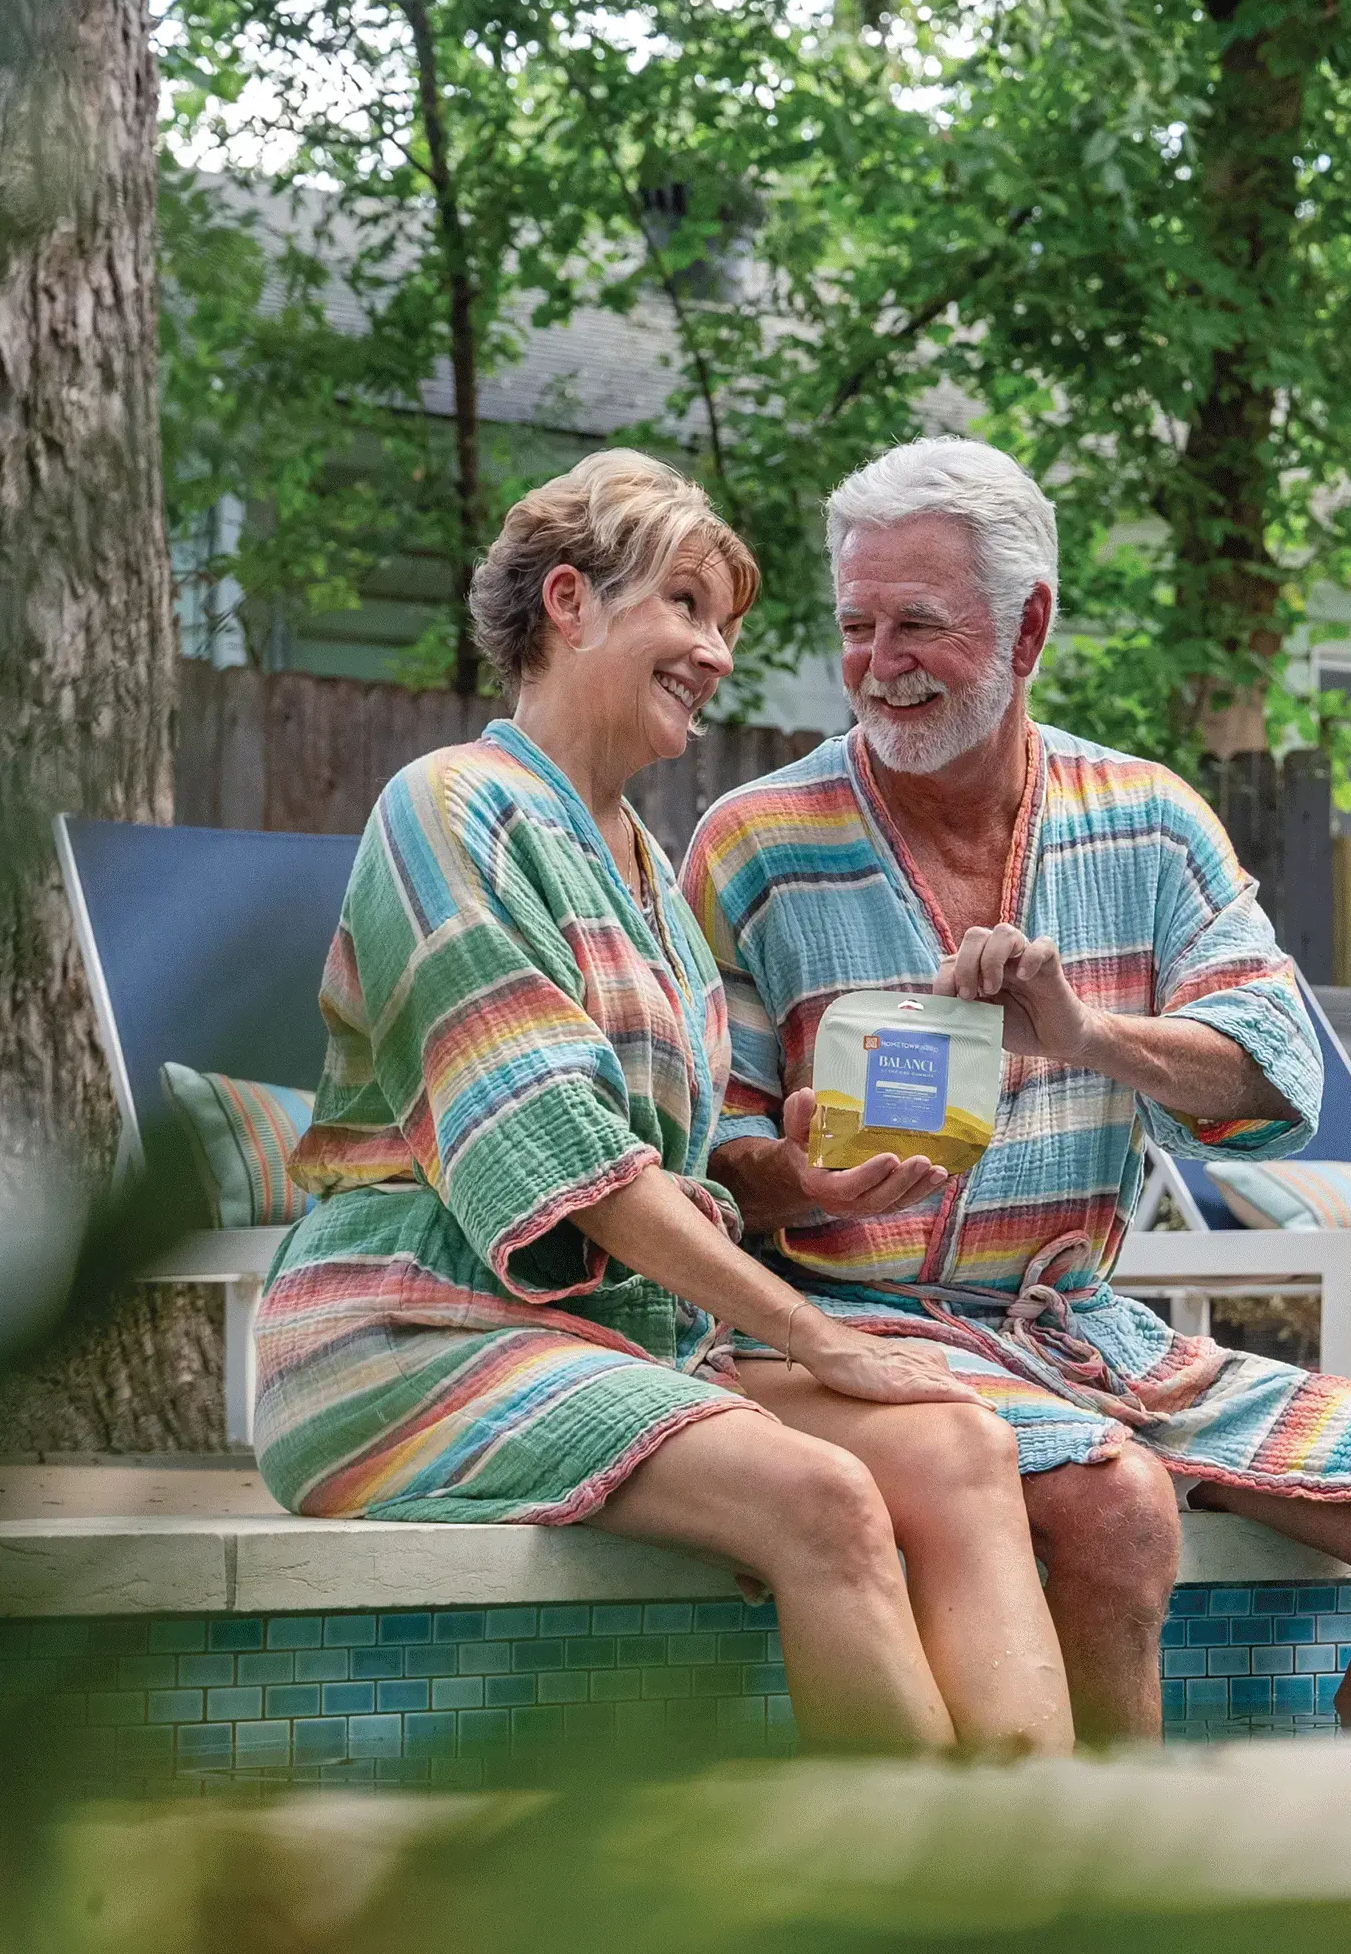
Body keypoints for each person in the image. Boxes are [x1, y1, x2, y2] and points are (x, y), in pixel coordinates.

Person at [682, 438, 1351, 1742]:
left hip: (1085, 1331)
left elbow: (1273, 1078)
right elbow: (702, 1149)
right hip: (859, 1341)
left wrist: (1086, 1035)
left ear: (1029, 628)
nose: (878, 661)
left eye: (920, 623)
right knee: (1115, 1504)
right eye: (857, 626)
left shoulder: (1145, 821)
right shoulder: (756, 842)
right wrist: (791, 1175)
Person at [253, 449, 1074, 1758]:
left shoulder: (642, 865)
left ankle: (1048, 1872)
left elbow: (680, 1162)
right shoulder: (453, 811)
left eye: (727, 627)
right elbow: (572, 1165)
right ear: (569, 601)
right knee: (825, 1502)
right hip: (408, 1341)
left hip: (619, 1342)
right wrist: (817, 1337)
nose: (717, 653)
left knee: (960, 1445)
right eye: (687, 607)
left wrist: (800, 1180)